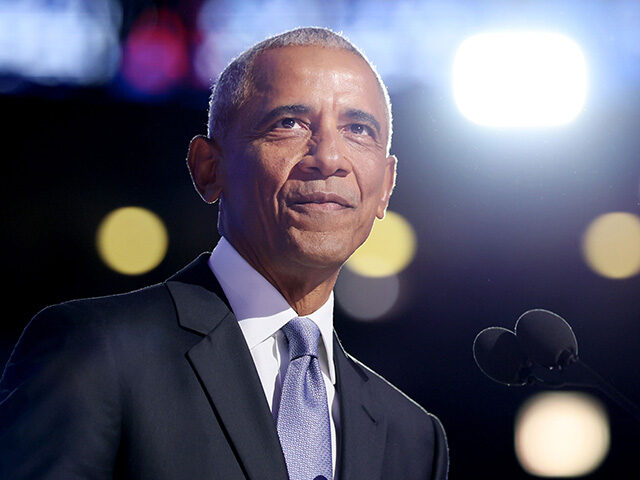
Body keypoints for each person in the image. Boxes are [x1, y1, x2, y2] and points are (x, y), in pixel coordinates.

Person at [0, 27, 448, 480]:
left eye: (358, 129)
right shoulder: (95, 351)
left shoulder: (412, 436)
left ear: (386, 187)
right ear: (208, 169)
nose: (328, 156)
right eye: (288, 123)